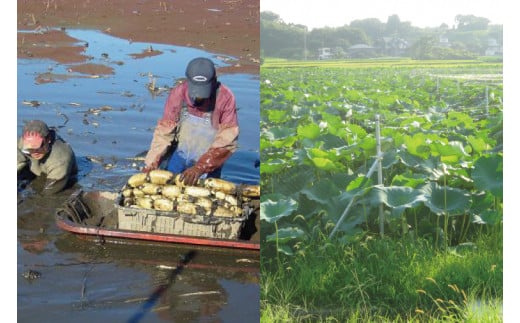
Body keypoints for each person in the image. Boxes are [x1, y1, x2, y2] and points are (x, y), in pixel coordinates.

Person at [143, 57, 239, 186]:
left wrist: (201, 167)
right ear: (188, 82)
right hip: (180, 154)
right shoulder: (178, 93)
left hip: (209, 160)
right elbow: (164, 133)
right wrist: (151, 164)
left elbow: (227, 141)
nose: (198, 98)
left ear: (214, 81)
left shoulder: (225, 97)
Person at [17, 120, 78, 195]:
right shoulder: (22, 142)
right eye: (29, 149)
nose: (35, 152)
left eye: (39, 147)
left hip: (59, 176)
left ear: (48, 139)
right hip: (35, 167)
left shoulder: (59, 159)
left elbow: (49, 192)